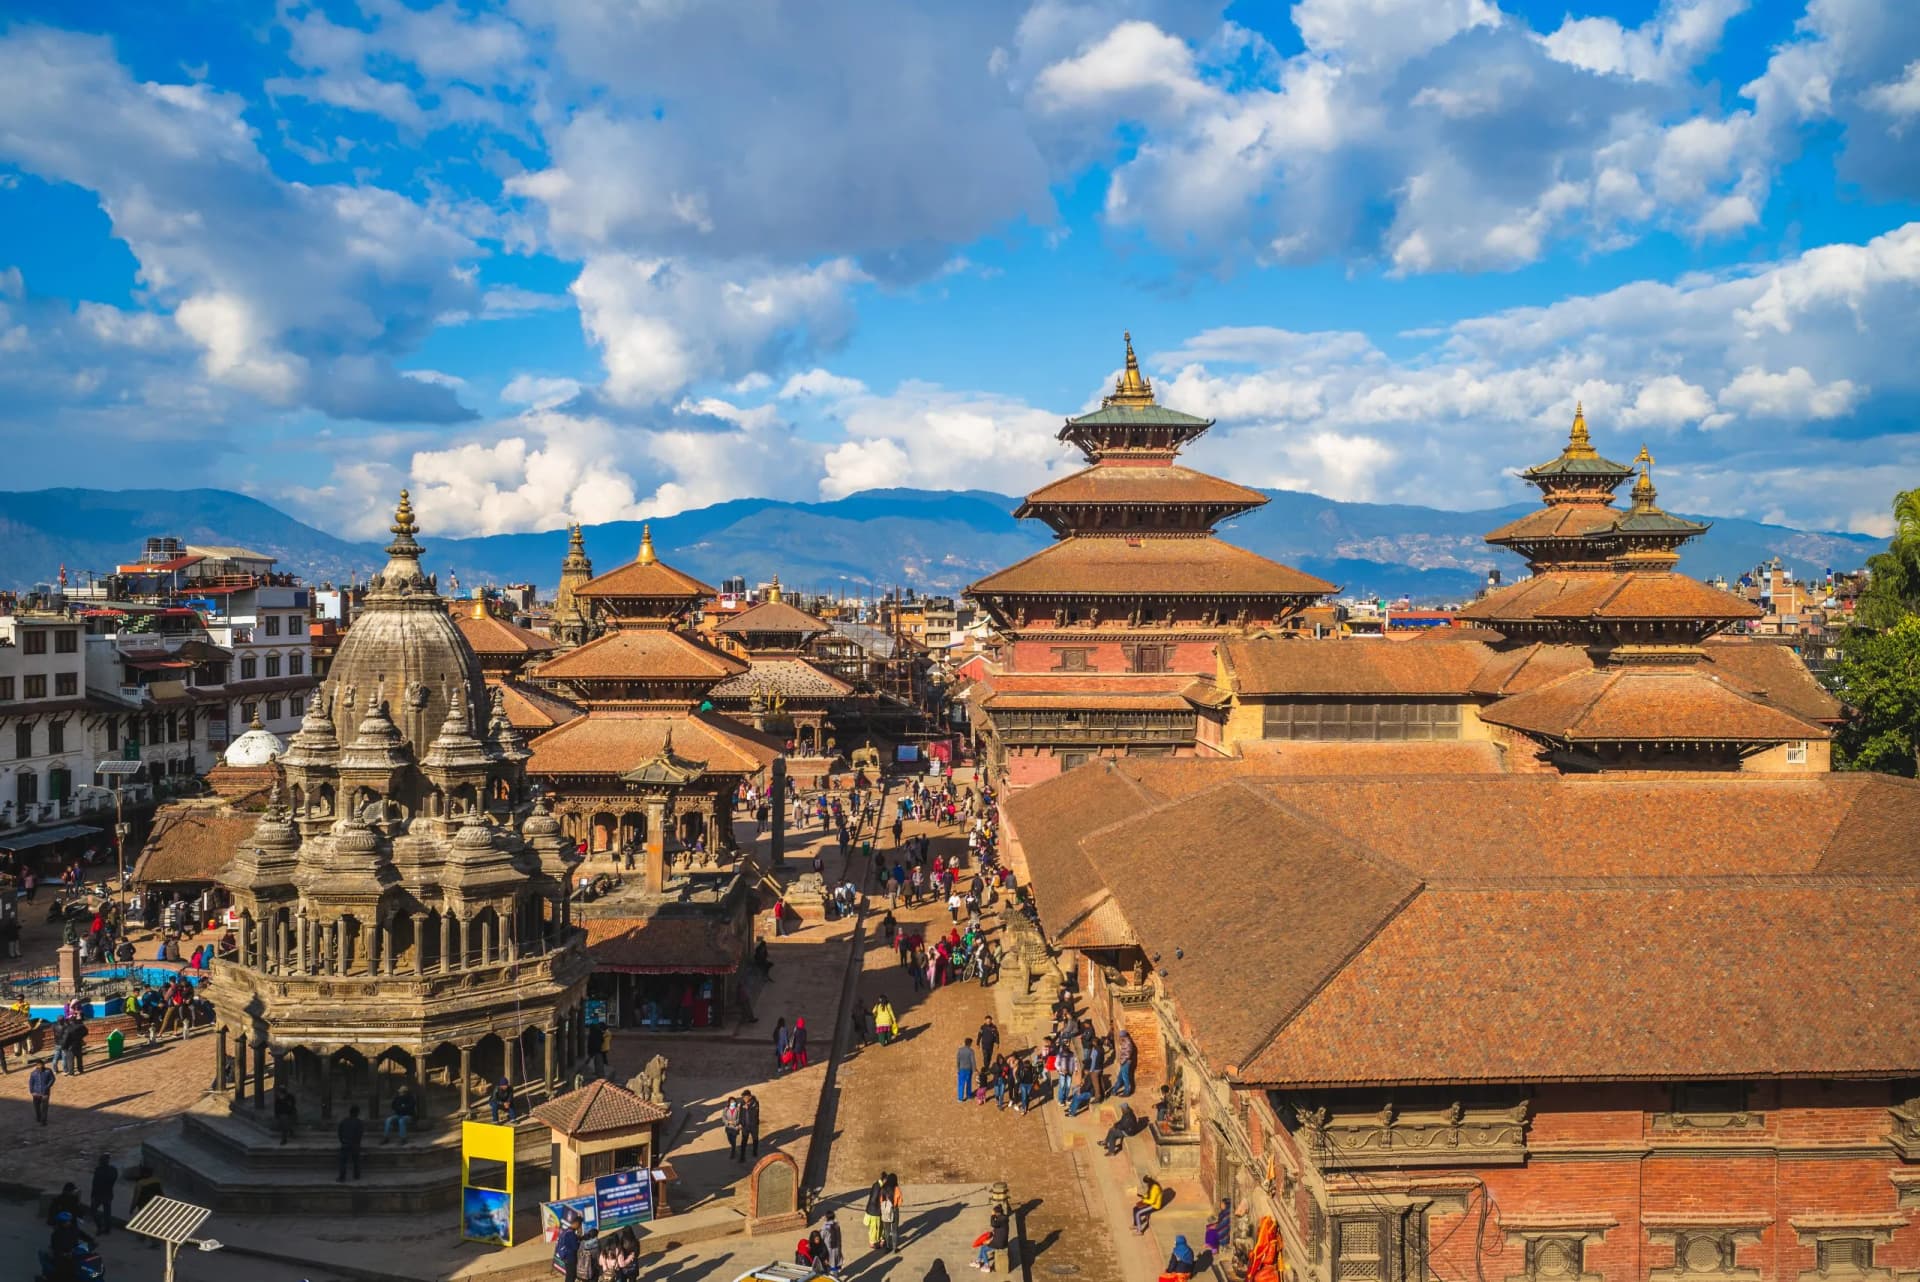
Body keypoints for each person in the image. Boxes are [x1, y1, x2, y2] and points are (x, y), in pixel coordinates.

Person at [88, 1152, 117, 1235]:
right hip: (108, 1194)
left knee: (93, 1210)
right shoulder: (113, 1170)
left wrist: (92, 1195)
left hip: (98, 1195)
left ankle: (100, 1226)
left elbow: (95, 1184)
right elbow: (114, 1179)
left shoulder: (98, 1170)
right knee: (107, 1212)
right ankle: (107, 1228)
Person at [553, 1209, 584, 1280]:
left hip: (566, 1257)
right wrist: (579, 1241)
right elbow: (575, 1247)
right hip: (570, 1258)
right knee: (571, 1276)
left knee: (569, 1275)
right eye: (580, 1225)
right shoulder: (571, 1234)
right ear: (577, 1224)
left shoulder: (566, 1231)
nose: (580, 1227)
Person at [337, 1104, 365, 1182]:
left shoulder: (344, 1121)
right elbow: (360, 1134)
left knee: (343, 1161)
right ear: (357, 1113)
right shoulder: (359, 1123)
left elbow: (339, 1133)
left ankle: (342, 1177)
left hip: (345, 1143)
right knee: (356, 1160)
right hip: (355, 1144)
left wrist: (342, 1141)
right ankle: (356, 1175)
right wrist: (357, 1143)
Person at [29, 1058, 54, 1125]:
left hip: (45, 1093)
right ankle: (38, 1117)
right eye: (38, 1065)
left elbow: (52, 1079)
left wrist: (47, 1086)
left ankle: (43, 1121)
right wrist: (32, 1092)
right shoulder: (33, 1073)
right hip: (36, 1093)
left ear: (43, 1064)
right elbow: (31, 1083)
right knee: (36, 1107)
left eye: (41, 1065)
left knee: (44, 1108)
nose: (40, 1066)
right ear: (36, 1066)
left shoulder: (48, 1071)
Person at [864, 1178, 886, 1250]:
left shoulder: (876, 1185)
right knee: (875, 1228)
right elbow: (874, 1200)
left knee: (875, 1228)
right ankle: (873, 1242)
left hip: (872, 1211)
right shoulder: (879, 1188)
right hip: (875, 1212)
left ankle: (876, 1241)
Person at [1114, 1028, 1136, 1098]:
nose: (1120, 1037)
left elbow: (1128, 1054)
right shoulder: (1124, 1041)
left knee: (1125, 1078)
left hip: (1126, 1062)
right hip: (1123, 1062)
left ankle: (1127, 1092)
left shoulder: (1127, 1043)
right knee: (1120, 1077)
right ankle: (1114, 1091)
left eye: (1121, 1036)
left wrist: (1123, 1062)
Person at [740, 1089, 761, 1160]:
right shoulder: (742, 1103)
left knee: (755, 1139)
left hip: (753, 1126)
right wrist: (740, 1123)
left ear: (750, 1096)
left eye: (745, 1097)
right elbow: (741, 1114)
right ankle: (742, 1155)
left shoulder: (755, 1103)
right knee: (744, 1141)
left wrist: (748, 1108)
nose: (744, 1099)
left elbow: (755, 1114)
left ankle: (755, 1152)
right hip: (745, 1126)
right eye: (743, 1097)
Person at [823, 1210, 845, 1275]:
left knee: (830, 1264)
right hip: (837, 1247)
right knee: (835, 1263)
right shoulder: (837, 1225)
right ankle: (836, 1275)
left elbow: (822, 1235)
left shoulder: (826, 1226)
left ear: (827, 1217)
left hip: (829, 1248)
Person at [723, 1094, 743, 1161]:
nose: (733, 1103)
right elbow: (723, 1118)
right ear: (729, 1103)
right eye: (731, 1102)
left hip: (735, 1128)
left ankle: (733, 1152)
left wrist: (734, 1122)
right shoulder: (726, 1109)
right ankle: (733, 1148)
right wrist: (728, 1122)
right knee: (729, 1139)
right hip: (728, 1128)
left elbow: (739, 1118)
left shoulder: (737, 1110)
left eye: (734, 1102)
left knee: (733, 1140)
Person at [955, 1037, 976, 1103]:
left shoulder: (960, 1050)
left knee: (961, 1084)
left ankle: (960, 1098)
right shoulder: (971, 1051)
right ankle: (969, 1095)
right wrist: (974, 1069)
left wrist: (958, 1068)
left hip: (961, 1069)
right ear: (970, 1043)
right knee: (968, 1083)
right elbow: (973, 1061)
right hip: (968, 1069)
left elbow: (958, 1060)